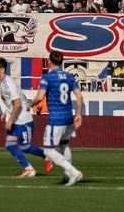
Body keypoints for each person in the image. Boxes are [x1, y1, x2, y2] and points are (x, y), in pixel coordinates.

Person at [30, 51, 84, 186]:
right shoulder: (69, 76)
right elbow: (79, 96)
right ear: (61, 61)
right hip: (68, 117)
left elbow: (40, 97)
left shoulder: (47, 77)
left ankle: (73, 172)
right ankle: (67, 176)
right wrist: (78, 114)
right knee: (64, 144)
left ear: (49, 61)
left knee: (48, 150)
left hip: (56, 119)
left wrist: (29, 104)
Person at [0, 57, 47, 177]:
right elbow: (17, 99)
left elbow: (18, 103)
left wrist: (10, 120)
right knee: (10, 145)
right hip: (16, 119)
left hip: (23, 120)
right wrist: (7, 111)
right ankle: (28, 168)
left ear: (3, 69)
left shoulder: (8, 83)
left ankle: (47, 155)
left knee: (25, 147)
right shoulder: (3, 82)